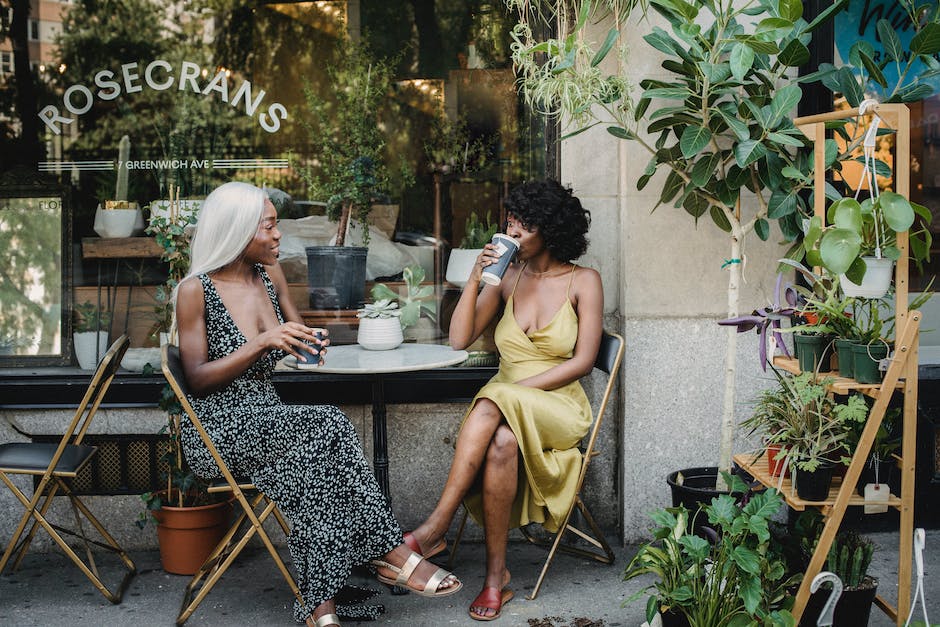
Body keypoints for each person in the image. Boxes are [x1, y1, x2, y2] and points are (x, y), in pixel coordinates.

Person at [174, 181, 461, 627]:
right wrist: (263, 342)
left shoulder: (269, 276)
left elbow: (295, 334)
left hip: (269, 421)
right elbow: (196, 379)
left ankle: (319, 606)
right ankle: (388, 553)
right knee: (327, 424)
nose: (278, 235)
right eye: (269, 226)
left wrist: (307, 341)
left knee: (311, 470)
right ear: (237, 231)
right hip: (218, 430)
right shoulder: (196, 289)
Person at [407, 179, 603, 621]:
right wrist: (478, 275)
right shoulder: (508, 278)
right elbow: (458, 339)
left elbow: (583, 362)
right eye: (509, 223)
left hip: (557, 406)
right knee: (500, 444)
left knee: (493, 399)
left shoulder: (584, 281)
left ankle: (435, 527)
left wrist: (514, 393)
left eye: (522, 226)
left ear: (549, 230)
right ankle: (497, 578)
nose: (511, 233)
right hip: (503, 410)